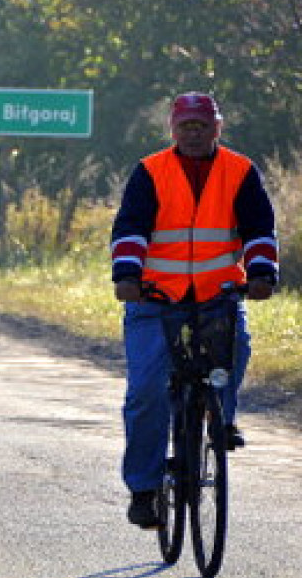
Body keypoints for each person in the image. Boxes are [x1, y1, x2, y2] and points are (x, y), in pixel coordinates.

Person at [110, 92, 278, 529]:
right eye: (185, 125)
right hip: (154, 297)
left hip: (216, 293)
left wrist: (261, 273)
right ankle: (144, 490)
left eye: (202, 125)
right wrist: (127, 275)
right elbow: (130, 228)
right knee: (146, 390)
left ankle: (221, 417)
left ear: (217, 128)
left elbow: (259, 229)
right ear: (173, 129)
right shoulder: (150, 171)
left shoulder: (240, 171)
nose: (193, 132)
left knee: (236, 349)